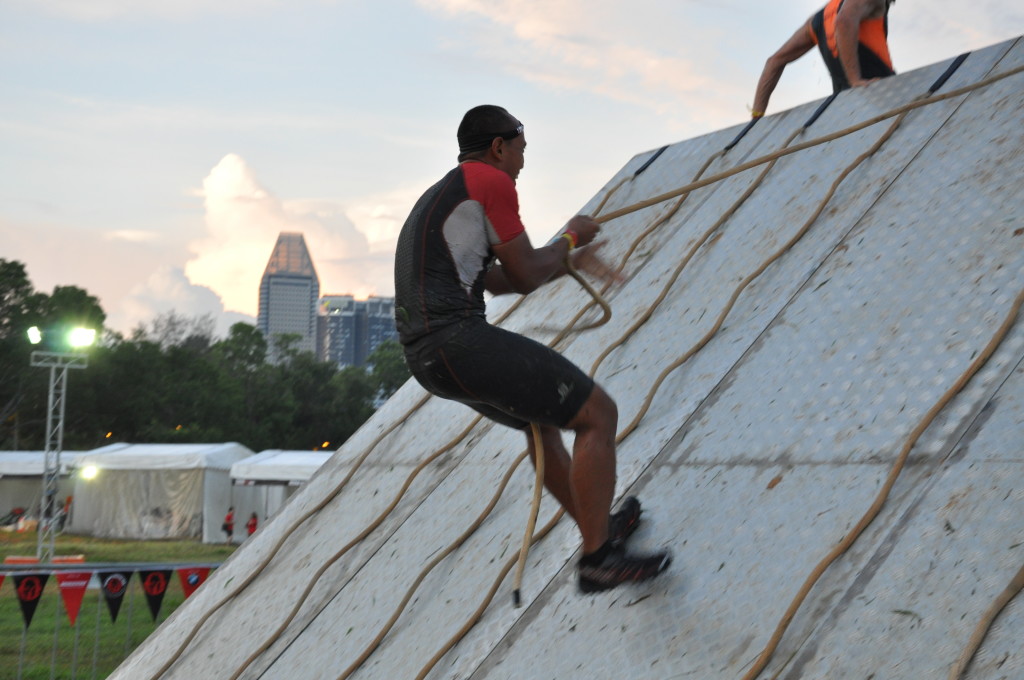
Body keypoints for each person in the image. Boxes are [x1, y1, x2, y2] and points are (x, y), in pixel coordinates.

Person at [394, 104, 671, 593]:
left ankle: (598, 532)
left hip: (428, 359)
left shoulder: (445, 192)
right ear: (499, 147)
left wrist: (570, 260)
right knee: (597, 414)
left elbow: (499, 282)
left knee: (542, 423)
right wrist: (570, 236)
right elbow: (524, 274)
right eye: (521, 148)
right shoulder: (490, 181)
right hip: (456, 340)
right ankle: (598, 558)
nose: (524, 160)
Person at [751, 0, 896, 118]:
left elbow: (774, 62)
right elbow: (844, 21)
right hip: (880, 99)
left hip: (845, 109)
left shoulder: (819, 19)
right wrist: (854, 80)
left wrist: (756, 118)